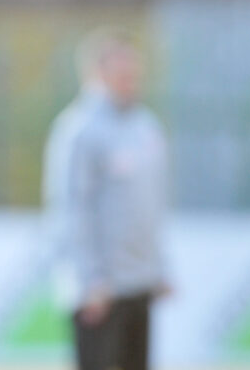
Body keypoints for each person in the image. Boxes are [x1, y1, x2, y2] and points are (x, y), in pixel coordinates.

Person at [43, 27, 169, 370]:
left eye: (134, 73)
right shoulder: (79, 130)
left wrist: (158, 267)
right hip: (101, 290)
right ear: (97, 74)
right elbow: (70, 210)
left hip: (138, 282)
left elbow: (151, 204)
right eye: (122, 72)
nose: (132, 79)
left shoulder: (146, 125)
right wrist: (89, 282)